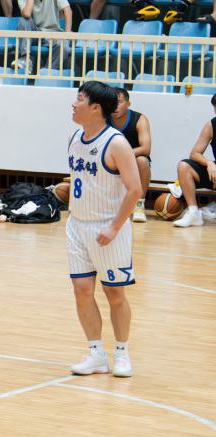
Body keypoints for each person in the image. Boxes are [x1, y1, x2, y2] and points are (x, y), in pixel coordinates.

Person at [65, 81, 141, 378]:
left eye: (79, 99)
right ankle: (96, 354)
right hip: (77, 225)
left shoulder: (116, 143)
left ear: (95, 107)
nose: (73, 104)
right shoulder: (74, 137)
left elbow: (135, 190)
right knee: (82, 291)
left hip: (108, 227)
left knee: (114, 293)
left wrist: (114, 227)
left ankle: (122, 353)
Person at [10, 0, 72, 75]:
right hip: (35, 34)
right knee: (23, 21)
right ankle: (25, 59)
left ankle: (46, 73)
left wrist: (66, 35)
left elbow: (67, 10)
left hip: (53, 34)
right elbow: (27, 14)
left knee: (65, 46)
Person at [166, 91, 216, 227]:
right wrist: (209, 162)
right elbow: (194, 154)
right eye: (215, 107)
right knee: (184, 166)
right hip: (214, 172)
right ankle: (193, 213)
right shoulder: (211, 125)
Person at [109, 88, 152, 223]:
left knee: (142, 161)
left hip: (133, 160)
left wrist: (123, 155)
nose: (115, 106)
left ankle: (139, 204)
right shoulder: (104, 118)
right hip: (112, 160)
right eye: (111, 102)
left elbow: (146, 149)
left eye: (119, 102)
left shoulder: (139, 119)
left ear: (128, 104)